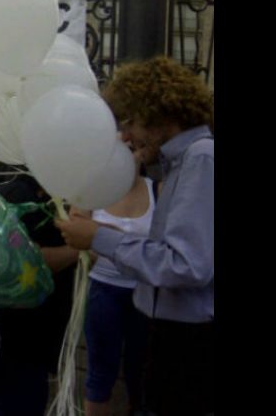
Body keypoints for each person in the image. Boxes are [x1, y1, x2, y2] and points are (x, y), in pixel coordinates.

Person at [56, 56, 213, 416]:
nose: (126, 136)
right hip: (167, 329)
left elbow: (187, 265)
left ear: (160, 115)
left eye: (131, 122)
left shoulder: (200, 159)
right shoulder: (181, 161)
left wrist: (100, 238)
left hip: (188, 338)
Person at [0, 168, 80, 416]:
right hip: (20, 336)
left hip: (2, 331)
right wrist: (82, 248)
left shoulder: (17, 192)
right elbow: (30, 259)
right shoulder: (21, 198)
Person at [78, 153, 156, 416]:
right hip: (104, 289)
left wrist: (108, 241)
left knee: (142, 374)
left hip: (147, 293)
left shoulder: (158, 188)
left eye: (135, 149)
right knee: (101, 372)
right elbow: (76, 235)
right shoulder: (93, 191)